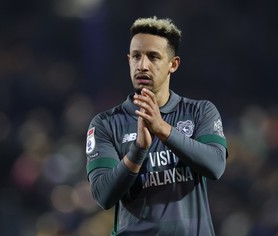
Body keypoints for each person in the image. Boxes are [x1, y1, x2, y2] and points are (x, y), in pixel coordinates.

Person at [85, 16, 228, 236]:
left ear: (173, 64)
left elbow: (216, 166)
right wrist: (139, 149)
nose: (142, 65)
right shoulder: (106, 123)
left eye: (153, 57)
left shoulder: (200, 112)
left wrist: (163, 129)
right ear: (129, 60)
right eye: (136, 56)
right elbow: (103, 196)